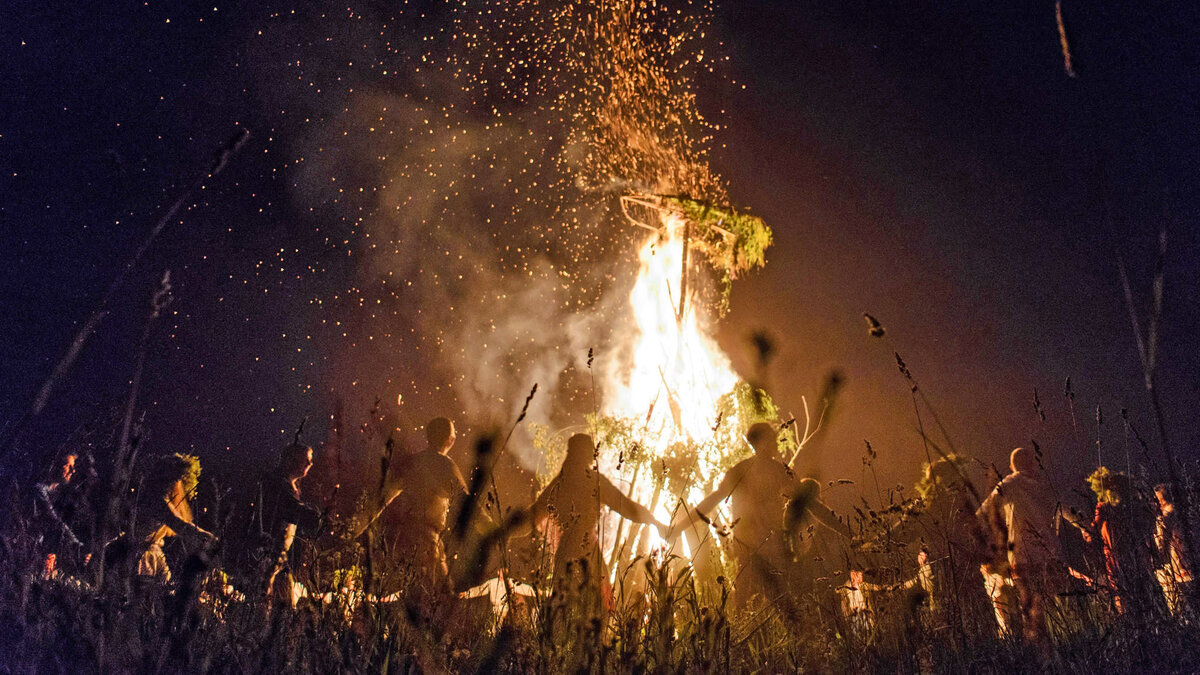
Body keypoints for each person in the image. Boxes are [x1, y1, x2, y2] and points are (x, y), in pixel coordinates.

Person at [679, 422, 850, 608]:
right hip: (767, 551)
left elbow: (711, 501)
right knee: (776, 606)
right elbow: (813, 506)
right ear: (762, 441)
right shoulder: (777, 471)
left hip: (756, 549)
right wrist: (846, 530)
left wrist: (678, 526)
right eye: (773, 440)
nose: (776, 445)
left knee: (749, 606)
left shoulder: (746, 471)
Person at [524, 433, 667, 614]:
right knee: (594, 612)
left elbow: (530, 518)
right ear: (586, 454)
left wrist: (500, 533)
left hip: (566, 555)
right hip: (587, 556)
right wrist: (657, 523)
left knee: (569, 611)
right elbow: (628, 508)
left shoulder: (560, 483)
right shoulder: (591, 481)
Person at [369, 418, 470, 607]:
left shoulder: (412, 463)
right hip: (426, 540)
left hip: (406, 539)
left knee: (421, 593)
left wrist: (352, 528)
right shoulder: (444, 465)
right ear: (451, 438)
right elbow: (468, 505)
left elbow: (379, 500)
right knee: (434, 596)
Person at [976, 447, 1066, 646]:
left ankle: (1038, 652)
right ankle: (1056, 650)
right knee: (1051, 609)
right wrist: (1086, 528)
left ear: (1011, 466)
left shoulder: (1008, 484)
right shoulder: (1045, 484)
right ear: (1033, 463)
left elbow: (981, 513)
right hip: (1050, 555)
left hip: (1022, 556)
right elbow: (1066, 509)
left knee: (1031, 609)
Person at [1065, 467, 1156, 615]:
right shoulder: (1131, 507)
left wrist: (1085, 531)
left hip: (1116, 559)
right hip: (1137, 557)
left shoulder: (1103, 508)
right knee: (1142, 593)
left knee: (1121, 594)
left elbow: (1092, 530)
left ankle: (1129, 624)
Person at [129, 453, 216, 583]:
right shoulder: (156, 500)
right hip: (138, 556)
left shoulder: (160, 498)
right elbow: (179, 525)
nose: (177, 484)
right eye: (175, 479)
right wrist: (207, 537)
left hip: (151, 554)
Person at [258, 443, 321, 607]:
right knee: (263, 603)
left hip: (281, 560)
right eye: (306, 460)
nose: (310, 464)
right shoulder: (276, 485)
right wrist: (319, 519)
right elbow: (292, 509)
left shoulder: (289, 486)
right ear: (291, 460)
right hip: (265, 557)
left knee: (285, 605)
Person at [1153, 483, 1192, 616]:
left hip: (1180, 565)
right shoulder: (1186, 511)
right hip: (1192, 559)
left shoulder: (1165, 517)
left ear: (1161, 500)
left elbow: (1160, 544)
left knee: (1185, 603)